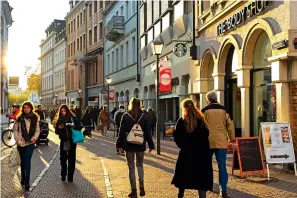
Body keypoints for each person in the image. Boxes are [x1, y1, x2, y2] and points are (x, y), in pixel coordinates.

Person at [172, 98, 213, 198]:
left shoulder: (181, 121)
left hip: (186, 154)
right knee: (200, 179)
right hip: (201, 154)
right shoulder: (201, 121)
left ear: (184, 108)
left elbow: (179, 140)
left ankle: (180, 195)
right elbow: (206, 136)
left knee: (183, 176)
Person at [116, 98, 155, 198]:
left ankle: (134, 190)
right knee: (140, 165)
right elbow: (148, 132)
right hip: (140, 144)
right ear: (140, 104)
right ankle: (141, 184)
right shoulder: (144, 116)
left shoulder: (126, 115)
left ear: (130, 104)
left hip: (128, 144)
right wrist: (151, 145)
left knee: (131, 167)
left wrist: (119, 145)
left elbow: (121, 132)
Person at [201, 91, 235, 198]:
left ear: (208, 99)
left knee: (207, 166)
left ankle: (209, 185)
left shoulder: (204, 111)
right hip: (221, 142)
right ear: (216, 98)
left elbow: (201, 126)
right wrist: (232, 138)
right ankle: (223, 189)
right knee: (222, 166)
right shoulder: (224, 111)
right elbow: (230, 125)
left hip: (208, 142)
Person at [13, 101, 40, 191]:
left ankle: (27, 181)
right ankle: (23, 177)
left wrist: (34, 138)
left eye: (28, 107)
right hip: (21, 143)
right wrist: (17, 139)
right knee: (23, 162)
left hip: (30, 143)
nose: (26, 109)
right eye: (24, 107)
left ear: (31, 108)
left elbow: (37, 130)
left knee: (27, 161)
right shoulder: (19, 118)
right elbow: (15, 130)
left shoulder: (35, 118)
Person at [54, 104, 80, 182]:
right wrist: (59, 128)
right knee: (63, 159)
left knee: (72, 160)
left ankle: (70, 177)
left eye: (64, 111)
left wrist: (73, 126)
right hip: (64, 141)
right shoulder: (59, 120)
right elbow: (56, 132)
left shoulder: (73, 118)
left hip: (72, 141)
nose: (63, 112)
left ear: (67, 110)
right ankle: (63, 175)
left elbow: (79, 127)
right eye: (61, 111)